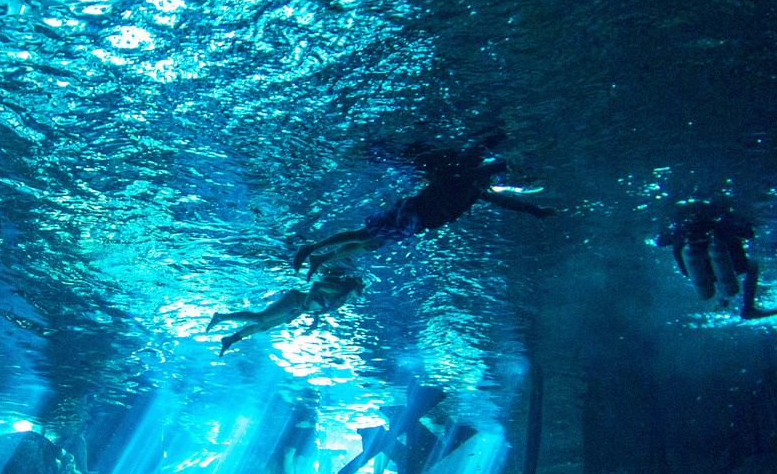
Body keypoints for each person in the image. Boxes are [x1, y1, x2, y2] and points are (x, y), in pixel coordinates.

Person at [290, 140, 555, 273]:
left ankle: (316, 251)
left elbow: (501, 196)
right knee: (371, 241)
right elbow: (504, 200)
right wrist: (535, 210)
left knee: (364, 235)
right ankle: (318, 255)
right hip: (414, 219)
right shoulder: (471, 186)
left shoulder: (468, 183)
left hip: (410, 208)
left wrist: (535, 210)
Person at [209, 265, 363, 353]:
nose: (357, 297)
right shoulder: (338, 289)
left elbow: (320, 305)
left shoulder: (341, 300)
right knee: (260, 317)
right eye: (358, 292)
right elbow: (317, 286)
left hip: (297, 310)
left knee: (264, 326)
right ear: (353, 286)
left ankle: (230, 339)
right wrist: (305, 304)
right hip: (294, 300)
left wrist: (315, 321)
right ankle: (221, 317)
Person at [659, 199, 758, 316]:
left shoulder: (682, 232)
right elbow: (749, 233)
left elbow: (660, 242)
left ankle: (744, 306)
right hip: (732, 267)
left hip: (694, 271)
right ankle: (748, 307)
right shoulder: (721, 225)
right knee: (752, 266)